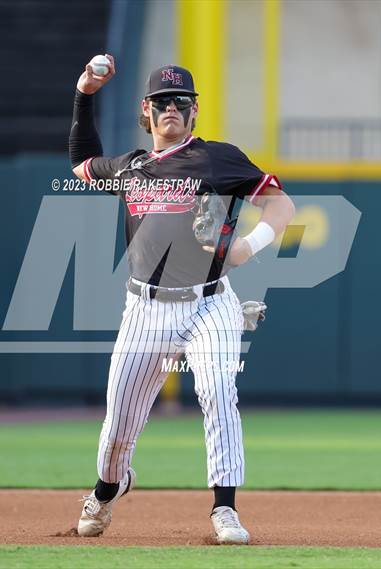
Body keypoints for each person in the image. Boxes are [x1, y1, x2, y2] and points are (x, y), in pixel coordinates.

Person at [69, 56, 295, 544]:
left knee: (218, 394)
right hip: (145, 308)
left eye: (182, 101)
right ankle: (108, 489)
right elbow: (81, 163)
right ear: (146, 112)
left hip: (209, 302)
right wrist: (85, 93)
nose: (172, 107)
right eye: (161, 101)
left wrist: (243, 248)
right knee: (119, 423)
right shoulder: (131, 168)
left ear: (194, 112)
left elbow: (282, 204)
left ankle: (225, 509)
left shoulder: (218, 158)